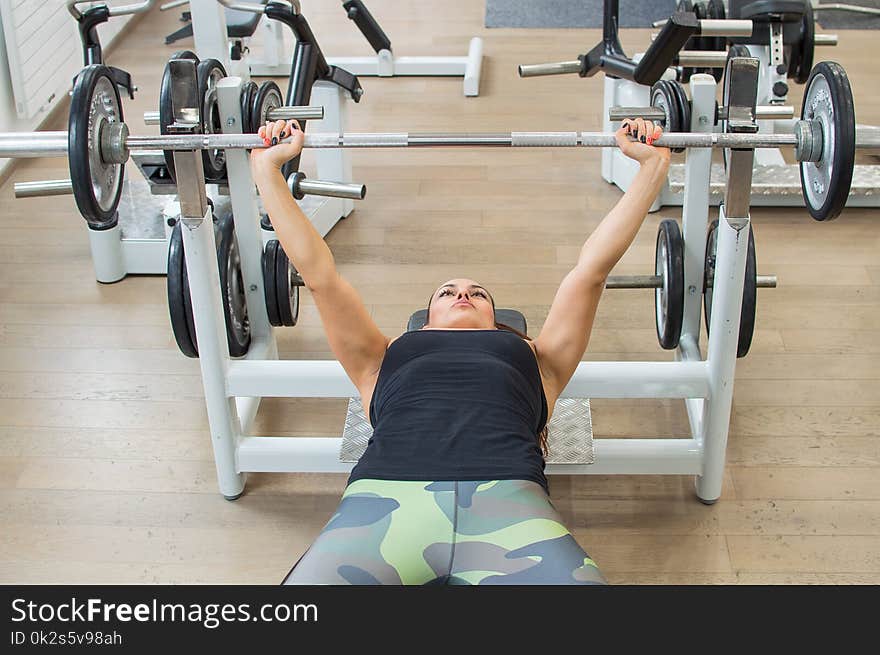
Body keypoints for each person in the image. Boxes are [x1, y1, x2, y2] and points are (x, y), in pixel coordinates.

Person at [250, 117, 671, 585]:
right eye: (447, 291)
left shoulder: (539, 358)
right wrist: (267, 170)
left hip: (511, 508)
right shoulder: (381, 355)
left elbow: (591, 270)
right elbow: (319, 274)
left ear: (499, 321)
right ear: (425, 319)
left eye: (478, 292)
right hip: (383, 508)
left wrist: (651, 169)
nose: (463, 294)